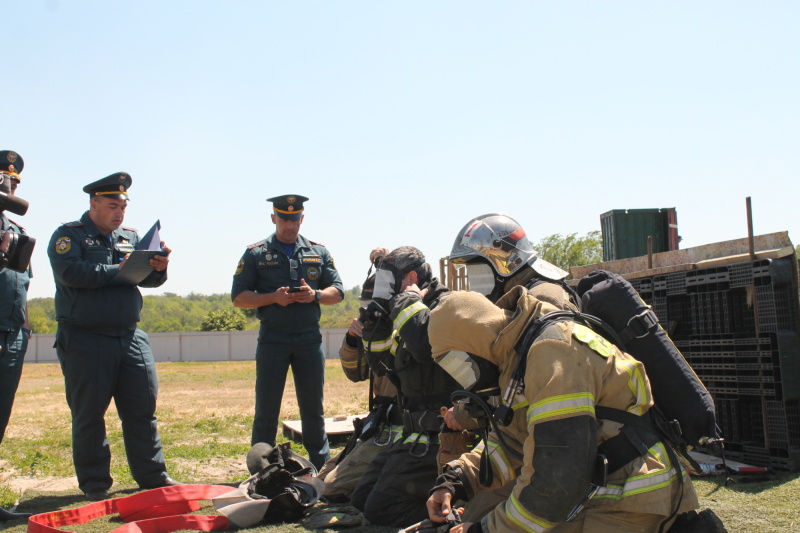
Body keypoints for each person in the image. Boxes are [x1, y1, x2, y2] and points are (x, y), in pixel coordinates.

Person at [425, 213, 703, 533]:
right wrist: (458, 479)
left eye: (462, 361)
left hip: (628, 497)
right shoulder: (518, 347)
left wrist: (486, 529)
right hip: (598, 487)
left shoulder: (550, 347)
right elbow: (517, 440)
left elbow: (556, 481)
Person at [47, 172, 180, 502]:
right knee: (89, 414)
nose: (119, 213)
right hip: (85, 338)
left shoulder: (131, 237)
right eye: (111, 206)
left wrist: (158, 267)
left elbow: (146, 280)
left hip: (131, 336)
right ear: (93, 204)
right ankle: (95, 485)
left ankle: (153, 476)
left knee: (142, 410)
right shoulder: (68, 236)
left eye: (122, 206)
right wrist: (118, 270)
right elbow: (71, 273)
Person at [350, 246, 461, 527]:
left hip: (439, 439)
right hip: (412, 436)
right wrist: (379, 322)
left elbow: (425, 347)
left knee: (380, 512)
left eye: (389, 282)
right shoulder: (403, 312)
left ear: (411, 277)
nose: (385, 290)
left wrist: (406, 303)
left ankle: (462, 510)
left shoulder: (446, 306)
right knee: (360, 500)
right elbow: (379, 365)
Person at [231, 194, 344, 471]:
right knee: (267, 410)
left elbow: (338, 292)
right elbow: (239, 297)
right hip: (273, 339)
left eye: (294, 219)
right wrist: (273, 298)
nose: (289, 225)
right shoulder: (256, 253)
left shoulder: (318, 251)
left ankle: (320, 467)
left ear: (301, 219)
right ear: (274, 218)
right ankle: (263, 469)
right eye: (284, 219)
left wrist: (315, 294)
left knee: (313, 409)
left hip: (309, 339)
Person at [318, 273, 402, 501]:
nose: (367, 315)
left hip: (400, 427)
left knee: (332, 488)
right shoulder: (372, 330)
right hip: (380, 423)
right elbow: (356, 373)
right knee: (321, 478)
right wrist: (354, 340)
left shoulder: (411, 329)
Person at [0, 150, 33, 522]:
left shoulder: (15, 230)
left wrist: (23, 328)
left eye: (14, 181)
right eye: (2, 179)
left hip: (10, 337)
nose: (9, 185)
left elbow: (19, 284)